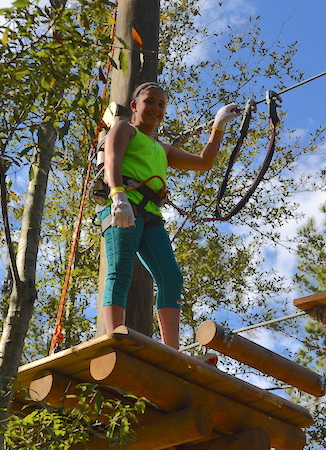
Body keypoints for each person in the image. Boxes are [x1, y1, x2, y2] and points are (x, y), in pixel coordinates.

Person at [100, 81, 239, 349]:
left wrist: (218, 126)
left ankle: (171, 349)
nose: (156, 108)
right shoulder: (124, 129)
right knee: (120, 270)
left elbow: (204, 162)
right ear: (134, 106)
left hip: (151, 214)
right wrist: (118, 196)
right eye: (149, 102)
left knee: (171, 277)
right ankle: (115, 336)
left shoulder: (162, 149)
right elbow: (112, 161)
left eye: (161, 105)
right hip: (125, 204)